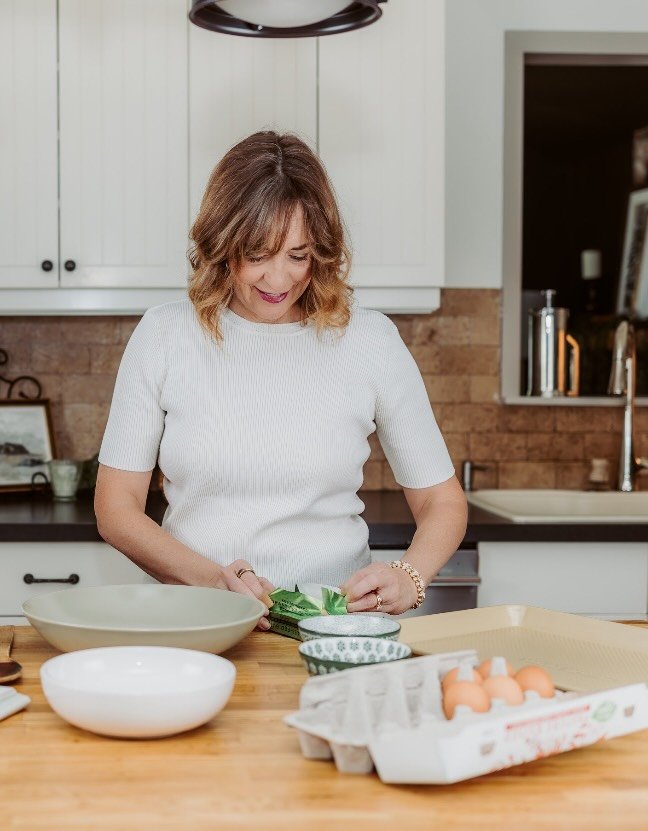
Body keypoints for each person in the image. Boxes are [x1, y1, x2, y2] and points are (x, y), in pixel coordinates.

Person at [95, 131, 467, 629]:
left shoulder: (370, 340)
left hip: (333, 628)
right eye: (258, 254)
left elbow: (441, 500)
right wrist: (212, 582)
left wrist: (410, 575)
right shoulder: (164, 335)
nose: (279, 280)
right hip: (192, 623)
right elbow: (116, 509)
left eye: (298, 255)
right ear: (222, 245)